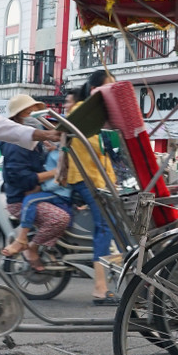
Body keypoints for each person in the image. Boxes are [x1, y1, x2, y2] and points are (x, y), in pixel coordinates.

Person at [0, 94, 72, 272]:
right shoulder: (16, 144)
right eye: (30, 111)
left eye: (36, 111)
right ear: (18, 116)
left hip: (39, 194)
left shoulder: (33, 141)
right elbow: (21, 178)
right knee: (60, 219)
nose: (35, 115)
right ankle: (31, 247)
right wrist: (54, 173)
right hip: (21, 200)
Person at [66, 70, 120, 305]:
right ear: (94, 89)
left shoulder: (102, 116)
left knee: (115, 227)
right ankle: (100, 287)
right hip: (88, 178)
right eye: (107, 87)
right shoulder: (80, 111)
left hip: (103, 179)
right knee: (105, 227)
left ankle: (112, 270)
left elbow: (114, 151)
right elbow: (99, 146)